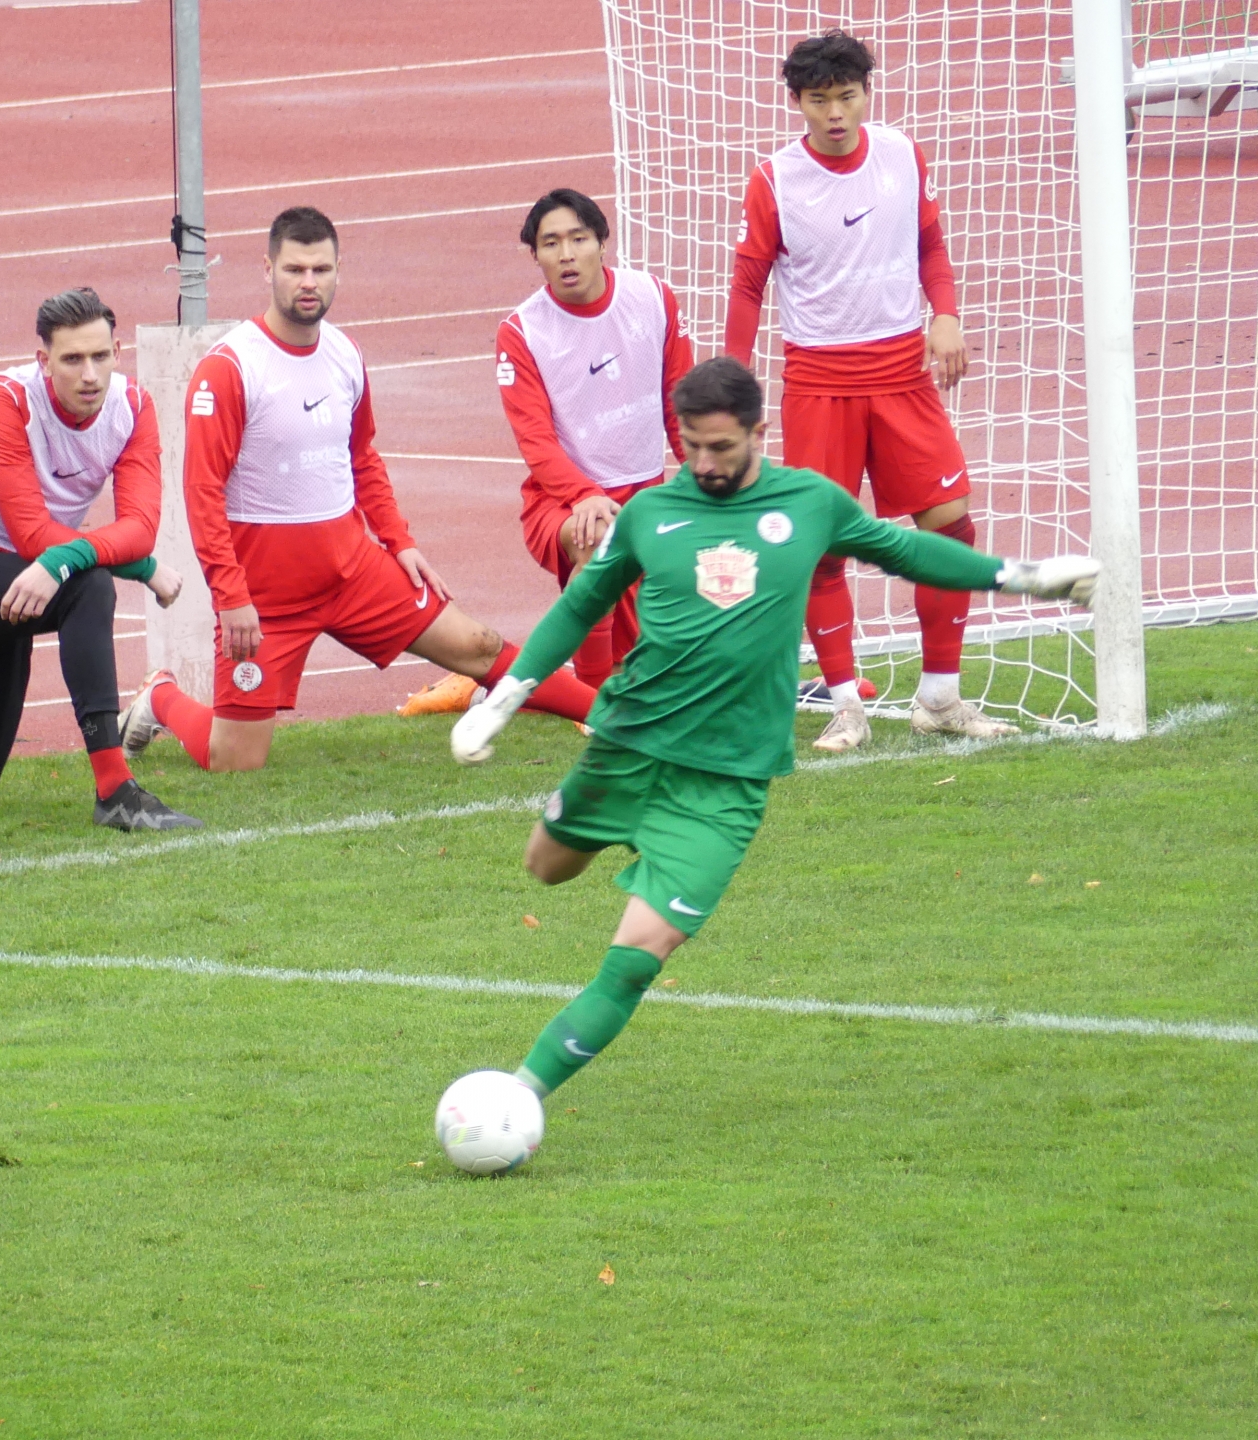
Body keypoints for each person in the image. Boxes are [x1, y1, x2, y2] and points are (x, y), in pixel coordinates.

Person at [448, 357, 1097, 1106]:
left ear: (759, 431)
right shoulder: (651, 514)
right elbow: (578, 608)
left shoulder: (812, 503)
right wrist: (501, 700)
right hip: (628, 744)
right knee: (546, 867)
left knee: (638, 959)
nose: (703, 463)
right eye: (690, 445)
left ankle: (518, 1097)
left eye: (720, 447)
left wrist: (1019, 576)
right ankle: (609, 831)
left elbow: (909, 550)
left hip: (727, 778)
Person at [118, 206, 598, 772]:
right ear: (266, 269)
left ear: (339, 270)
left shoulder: (344, 354)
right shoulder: (230, 368)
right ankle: (161, 696)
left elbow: (362, 457)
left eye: (321, 269)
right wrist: (233, 598)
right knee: (234, 760)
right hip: (266, 597)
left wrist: (400, 542)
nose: (308, 283)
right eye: (295, 269)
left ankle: (619, 718)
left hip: (354, 573)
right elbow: (201, 494)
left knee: (479, 646)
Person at [726, 29, 1002, 752]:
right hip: (820, 381)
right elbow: (749, 285)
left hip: (903, 373)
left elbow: (929, 245)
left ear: (866, 94)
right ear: (799, 104)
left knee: (951, 527)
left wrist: (944, 314)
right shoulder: (775, 181)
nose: (837, 114)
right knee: (820, 548)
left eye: (848, 96)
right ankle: (846, 702)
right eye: (821, 101)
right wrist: (731, 380)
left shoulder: (903, 155)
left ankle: (941, 695)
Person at [0, 287, 198, 831]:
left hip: (29, 580)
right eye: (71, 359)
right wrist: (137, 568)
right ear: (44, 361)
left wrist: (70, 559)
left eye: (101, 356)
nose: (90, 374)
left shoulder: (132, 407)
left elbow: (139, 529)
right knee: (88, 586)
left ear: (118, 350)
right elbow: (29, 533)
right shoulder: (3, 399)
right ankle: (115, 789)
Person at [494, 187, 694, 691]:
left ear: (602, 242)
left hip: (647, 497)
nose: (566, 254)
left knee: (668, 662)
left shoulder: (652, 298)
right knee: (598, 538)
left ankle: (804, 671)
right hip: (561, 502)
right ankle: (591, 701)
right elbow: (536, 442)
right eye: (550, 243)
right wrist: (585, 495)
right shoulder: (522, 332)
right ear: (534, 255)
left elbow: (681, 407)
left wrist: (705, 482)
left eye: (578, 238)